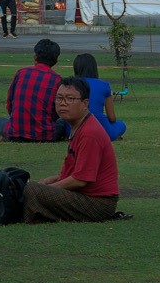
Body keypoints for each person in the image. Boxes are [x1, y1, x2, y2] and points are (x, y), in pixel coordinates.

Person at [22, 77, 122, 222]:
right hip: (85, 196)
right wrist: (48, 182)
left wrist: (49, 189)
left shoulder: (89, 133)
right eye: (59, 98)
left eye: (70, 99)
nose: (63, 103)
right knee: (31, 186)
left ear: (85, 103)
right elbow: (76, 172)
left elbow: (80, 180)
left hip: (98, 204)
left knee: (31, 191)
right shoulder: (79, 126)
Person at [0, 38, 69, 142]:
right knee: (63, 122)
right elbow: (57, 112)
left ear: (35, 56)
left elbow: (10, 105)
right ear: (55, 60)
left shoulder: (21, 73)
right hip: (44, 134)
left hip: (16, 131)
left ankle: (8, 135)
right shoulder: (57, 79)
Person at [71, 52, 127, 140]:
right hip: (99, 127)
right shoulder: (104, 85)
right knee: (121, 125)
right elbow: (112, 118)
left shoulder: (70, 84)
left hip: (74, 129)